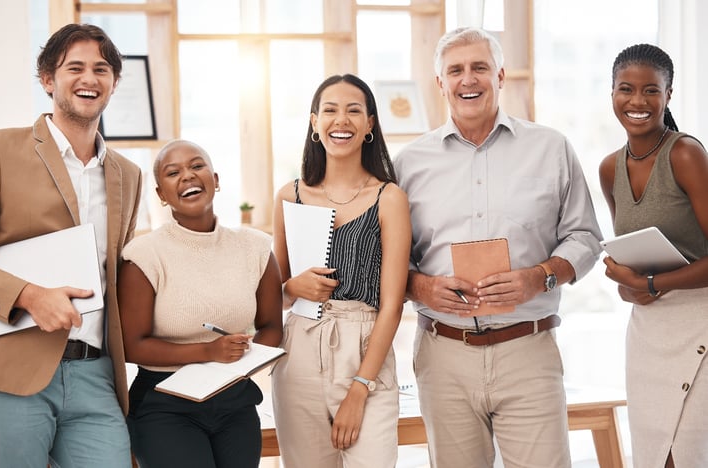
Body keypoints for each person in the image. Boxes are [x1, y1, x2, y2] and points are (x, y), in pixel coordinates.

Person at [393, 27, 603, 468]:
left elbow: (584, 236)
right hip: (443, 354)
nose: (468, 80)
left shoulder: (551, 148)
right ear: (440, 84)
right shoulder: (409, 164)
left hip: (528, 351)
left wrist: (538, 277)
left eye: (479, 68)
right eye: (456, 70)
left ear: (500, 76)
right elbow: (392, 258)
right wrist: (421, 288)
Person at [0, 23, 142, 467]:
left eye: (101, 69)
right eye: (74, 67)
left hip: (95, 374)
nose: (89, 78)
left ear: (114, 83)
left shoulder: (128, 174)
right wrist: (28, 297)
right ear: (47, 80)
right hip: (8, 371)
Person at [271, 74, 411, 468]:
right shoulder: (289, 195)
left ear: (370, 124)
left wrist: (360, 387)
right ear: (314, 122)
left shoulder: (389, 198)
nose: (341, 120)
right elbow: (273, 298)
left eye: (354, 111)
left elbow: (392, 305)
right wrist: (292, 286)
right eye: (330, 110)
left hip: (365, 348)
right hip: (298, 350)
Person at [118, 139, 283, 468]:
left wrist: (240, 364)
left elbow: (271, 327)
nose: (187, 176)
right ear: (161, 194)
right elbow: (131, 345)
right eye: (173, 172)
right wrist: (207, 352)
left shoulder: (256, 247)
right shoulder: (144, 255)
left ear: (216, 180)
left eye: (197, 166)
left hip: (234, 399)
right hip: (164, 404)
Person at [599, 44, 708, 468]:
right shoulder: (610, 168)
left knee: (687, 457)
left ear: (669, 95)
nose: (638, 102)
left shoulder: (685, 155)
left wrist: (650, 284)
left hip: (698, 325)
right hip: (648, 332)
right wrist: (629, 287)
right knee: (651, 457)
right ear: (611, 93)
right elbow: (634, 257)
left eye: (651, 91)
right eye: (626, 89)